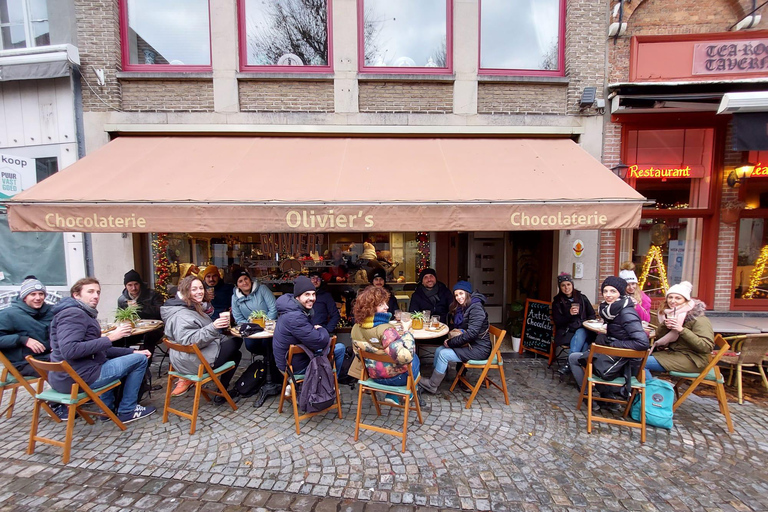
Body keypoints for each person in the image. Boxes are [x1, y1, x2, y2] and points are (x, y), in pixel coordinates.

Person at [49, 278, 156, 423]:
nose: (96, 296)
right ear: (76, 295)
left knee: (130, 357)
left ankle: (106, 411)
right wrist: (111, 338)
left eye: (98, 292)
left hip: (67, 377)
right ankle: (128, 410)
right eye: (90, 292)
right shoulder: (74, 314)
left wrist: (131, 352)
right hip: (77, 379)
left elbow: (99, 350)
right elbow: (70, 350)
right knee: (141, 360)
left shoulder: (78, 312)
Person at [568, 277, 649, 407]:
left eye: (613, 291)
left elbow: (643, 343)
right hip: (614, 358)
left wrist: (613, 344)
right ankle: (607, 398)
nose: (608, 295)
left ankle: (589, 397)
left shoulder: (626, 313)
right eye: (605, 291)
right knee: (588, 351)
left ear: (621, 293)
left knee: (574, 358)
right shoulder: (612, 310)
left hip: (621, 364)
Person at [161, 276, 242, 401]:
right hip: (192, 362)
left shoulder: (188, 306)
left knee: (233, 348)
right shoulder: (181, 315)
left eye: (200, 288)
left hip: (184, 359)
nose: (199, 291)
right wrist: (213, 327)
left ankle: (222, 389)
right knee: (236, 344)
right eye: (194, 289)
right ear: (185, 291)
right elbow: (189, 341)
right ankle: (222, 391)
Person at [419, 281, 492, 394]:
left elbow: (471, 334)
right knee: (439, 350)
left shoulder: (476, 308)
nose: (458, 297)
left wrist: (451, 342)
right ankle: (436, 378)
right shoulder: (466, 307)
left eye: (461, 294)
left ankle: (432, 385)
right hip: (471, 344)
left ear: (468, 293)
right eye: (456, 295)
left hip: (479, 349)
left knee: (444, 354)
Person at [351, 285, 419, 405]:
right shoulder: (386, 331)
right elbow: (406, 357)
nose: (387, 307)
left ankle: (393, 395)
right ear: (370, 308)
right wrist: (407, 332)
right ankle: (410, 391)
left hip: (372, 376)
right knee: (415, 358)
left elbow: (358, 355)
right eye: (381, 305)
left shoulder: (356, 328)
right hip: (396, 379)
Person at [272, 276, 345, 386]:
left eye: (313, 294)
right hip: (294, 367)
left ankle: (322, 384)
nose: (312, 298)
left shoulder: (292, 309)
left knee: (333, 349)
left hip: (293, 361)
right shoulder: (295, 316)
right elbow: (319, 341)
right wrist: (321, 329)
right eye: (307, 294)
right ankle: (329, 386)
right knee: (340, 349)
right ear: (297, 296)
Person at [645, 281, 714, 377]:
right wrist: (665, 325)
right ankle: (648, 388)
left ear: (686, 301)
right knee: (636, 358)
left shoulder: (698, 319)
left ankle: (651, 390)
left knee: (641, 362)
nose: (673, 301)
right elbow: (659, 337)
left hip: (693, 359)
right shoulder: (670, 314)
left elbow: (706, 347)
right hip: (674, 354)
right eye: (670, 297)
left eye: (678, 298)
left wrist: (681, 330)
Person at [0, 276, 53, 376]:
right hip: (23, 363)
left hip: (50, 356)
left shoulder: (51, 312)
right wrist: (22, 339)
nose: (38, 298)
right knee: (65, 373)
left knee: (82, 365)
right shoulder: (9, 314)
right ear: (24, 297)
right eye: (33, 294)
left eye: (41, 294)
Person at [552, 273, 596, 376]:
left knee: (581, 332)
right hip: (567, 332)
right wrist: (569, 314)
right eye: (563, 285)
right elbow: (558, 322)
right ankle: (580, 368)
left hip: (584, 329)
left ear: (572, 285)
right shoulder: (557, 302)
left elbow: (592, 315)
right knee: (584, 344)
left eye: (568, 284)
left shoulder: (582, 298)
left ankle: (569, 363)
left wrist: (585, 322)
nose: (566, 288)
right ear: (560, 287)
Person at [116, 269, 164, 360]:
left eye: (136, 284)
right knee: (118, 339)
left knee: (148, 338)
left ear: (140, 284)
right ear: (125, 286)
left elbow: (160, 312)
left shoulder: (153, 295)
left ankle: (144, 364)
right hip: (134, 330)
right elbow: (118, 317)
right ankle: (123, 363)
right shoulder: (122, 299)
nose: (133, 288)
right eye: (130, 285)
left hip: (154, 329)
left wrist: (141, 307)